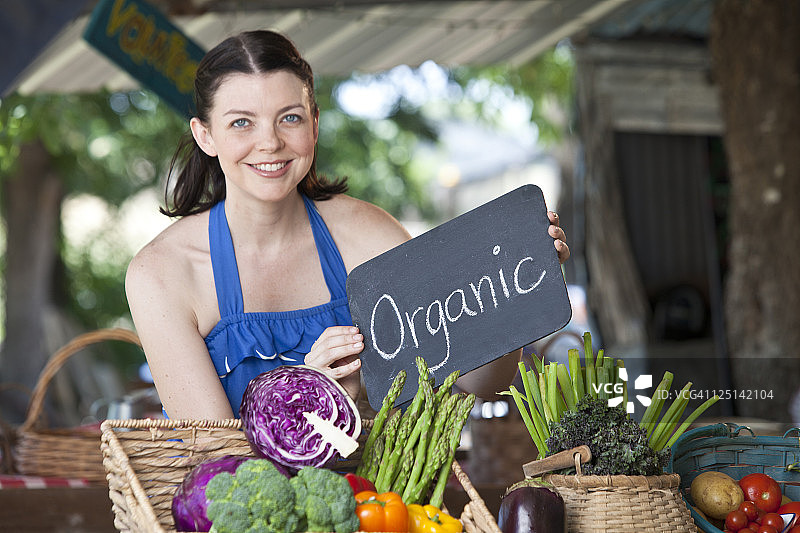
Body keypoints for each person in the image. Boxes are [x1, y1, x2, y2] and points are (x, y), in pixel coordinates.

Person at [125, 30, 570, 421]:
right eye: (241, 123)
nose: (270, 142)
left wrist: (515, 293)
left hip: (381, 494)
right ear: (205, 135)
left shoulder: (369, 235)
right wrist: (309, 396)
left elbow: (478, 385)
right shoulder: (161, 274)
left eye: (290, 118)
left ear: (314, 124)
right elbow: (214, 460)